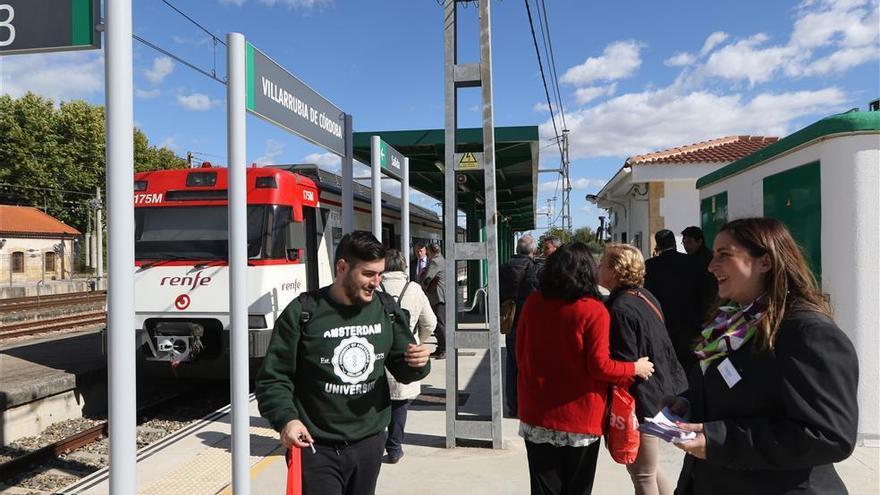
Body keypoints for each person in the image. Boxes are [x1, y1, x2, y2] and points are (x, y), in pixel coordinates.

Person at [672, 218, 858, 495]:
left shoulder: (808, 332)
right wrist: (688, 402)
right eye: (713, 255)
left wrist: (721, 440)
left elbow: (829, 435)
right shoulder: (731, 323)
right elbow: (745, 392)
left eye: (725, 255)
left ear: (765, 262)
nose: (711, 266)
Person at [254, 231, 431, 495]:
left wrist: (419, 362)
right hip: (315, 447)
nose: (376, 282)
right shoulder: (303, 312)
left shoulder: (386, 309)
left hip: (369, 443)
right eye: (369, 274)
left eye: (380, 274)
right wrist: (287, 420)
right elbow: (273, 379)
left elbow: (404, 369)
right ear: (342, 267)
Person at [516, 242, 655, 495]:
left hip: (536, 412)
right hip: (580, 417)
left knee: (542, 488)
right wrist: (634, 367)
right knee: (577, 489)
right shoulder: (594, 310)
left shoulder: (533, 303)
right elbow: (600, 366)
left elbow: (520, 352)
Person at [598, 243, 687, 495]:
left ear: (615, 270)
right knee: (650, 469)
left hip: (642, 401)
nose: (598, 267)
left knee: (642, 475)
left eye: (603, 263)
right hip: (663, 393)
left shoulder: (619, 308)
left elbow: (627, 365)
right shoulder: (644, 296)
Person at [379, 249, 437, 464]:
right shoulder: (414, 289)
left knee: (375, 401)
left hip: (377, 353)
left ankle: (373, 445)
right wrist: (417, 341)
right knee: (399, 404)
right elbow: (430, 322)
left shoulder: (374, 286)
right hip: (404, 354)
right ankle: (394, 448)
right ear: (403, 266)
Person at [645, 229, 704, 372]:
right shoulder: (690, 261)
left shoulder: (651, 265)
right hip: (689, 320)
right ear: (674, 242)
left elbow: (649, 294)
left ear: (657, 245)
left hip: (663, 320)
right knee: (688, 363)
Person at [499, 235, 541, 417]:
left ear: (517, 249)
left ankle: (513, 405)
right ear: (533, 250)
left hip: (511, 321)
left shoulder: (503, 268)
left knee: (512, 364)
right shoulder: (535, 269)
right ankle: (527, 404)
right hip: (531, 323)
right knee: (530, 365)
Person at [681, 226, 718, 325]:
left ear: (699, 241)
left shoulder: (708, 259)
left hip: (706, 308)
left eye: (689, 242)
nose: (685, 246)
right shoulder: (687, 259)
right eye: (683, 242)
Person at [422, 242, 447, 359]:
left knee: (439, 324)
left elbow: (427, 278)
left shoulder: (434, 261)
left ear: (431, 252)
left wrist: (421, 288)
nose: (427, 254)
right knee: (440, 323)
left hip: (437, 297)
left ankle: (444, 349)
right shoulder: (442, 259)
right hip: (441, 296)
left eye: (427, 252)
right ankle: (441, 348)